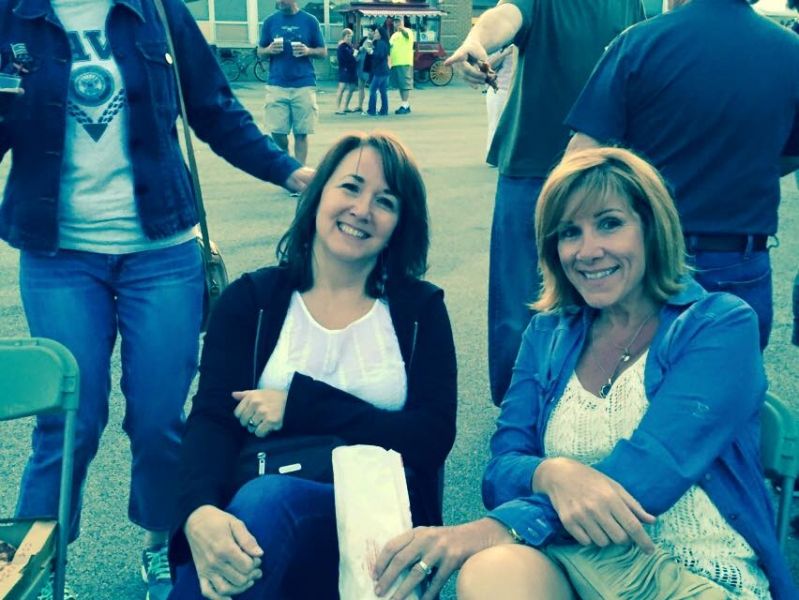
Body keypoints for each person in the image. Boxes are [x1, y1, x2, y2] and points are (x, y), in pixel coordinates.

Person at [372, 148, 796, 600]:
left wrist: (494, 528)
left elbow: (650, 475)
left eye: (609, 223)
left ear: (652, 228)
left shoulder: (719, 324)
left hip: (691, 572)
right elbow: (501, 469)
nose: (588, 251)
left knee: (491, 550)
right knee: (492, 572)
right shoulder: (547, 334)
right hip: (580, 562)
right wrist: (551, 473)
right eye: (569, 232)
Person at [0, 0, 313, 598]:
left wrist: (287, 172)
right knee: (67, 419)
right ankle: (37, 570)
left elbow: (214, 108)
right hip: (58, 254)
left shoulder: (159, 13)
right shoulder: (13, 16)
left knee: (159, 417)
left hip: (162, 251)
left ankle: (162, 543)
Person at [168, 132, 458, 600]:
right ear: (319, 192)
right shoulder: (253, 301)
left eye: (384, 201)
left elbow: (431, 437)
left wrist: (301, 406)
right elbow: (211, 422)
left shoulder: (418, 310)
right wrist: (198, 512)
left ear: (400, 223)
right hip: (257, 508)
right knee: (240, 523)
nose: (362, 209)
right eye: (350, 187)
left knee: (269, 502)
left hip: (378, 523)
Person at [566, 0, 799, 350]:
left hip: (649, 253)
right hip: (738, 260)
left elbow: (582, 155)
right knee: (730, 378)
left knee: (636, 375)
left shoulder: (640, 42)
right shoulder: (791, 52)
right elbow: (789, 155)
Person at [444, 0, 645, 405]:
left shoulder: (629, 4)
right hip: (531, 168)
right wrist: (476, 38)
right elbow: (506, 17)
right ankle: (516, 407)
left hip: (601, 174)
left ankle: (579, 402)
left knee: (599, 295)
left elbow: (639, 60)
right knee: (519, 301)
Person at [257, 0, 327, 165]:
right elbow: (260, 51)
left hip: (303, 84)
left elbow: (323, 52)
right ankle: (286, 157)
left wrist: (308, 51)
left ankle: (298, 171)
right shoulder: (270, 21)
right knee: (276, 131)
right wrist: (268, 50)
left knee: (301, 133)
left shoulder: (310, 21)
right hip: (276, 84)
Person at [484, 45, 515, 156]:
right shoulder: (503, 43)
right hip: (500, 90)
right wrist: (506, 52)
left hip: (518, 91)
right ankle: (493, 156)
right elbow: (487, 65)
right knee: (496, 125)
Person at [389, 17, 414, 115]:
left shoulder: (408, 31)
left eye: (398, 22)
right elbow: (390, 47)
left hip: (404, 62)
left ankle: (404, 104)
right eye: (395, 22)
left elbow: (406, 35)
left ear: (403, 23)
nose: (397, 24)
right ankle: (405, 105)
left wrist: (402, 29)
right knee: (400, 85)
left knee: (405, 84)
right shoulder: (394, 35)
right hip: (395, 63)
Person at [366, 25, 390, 117]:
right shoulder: (384, 43)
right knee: (383, 91)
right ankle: (384, 110)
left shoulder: (380, 43)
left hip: (379, 70)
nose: (374, 34)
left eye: (376, 33)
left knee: (372, 89)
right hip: (385, 70)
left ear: (380, 34)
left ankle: (371, 110)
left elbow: (379, 55)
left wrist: (371, 52)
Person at [334, 28, 357, 114]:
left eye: (351, 36)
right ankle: (337, 108)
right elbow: (348, 58)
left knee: (352, 88)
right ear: (344, 36)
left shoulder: (350, 46)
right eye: (348, 36)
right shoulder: (342, 46)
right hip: (344, 69)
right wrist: (354, 55)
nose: (349, 38)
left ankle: (346, 107)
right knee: (342, 88)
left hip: (352, 69)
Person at [354, 33, 373, 114]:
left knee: (372, 87)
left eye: (371, 31)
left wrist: (368, 48)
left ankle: (372, 106)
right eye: (369, 31)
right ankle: (360, 106)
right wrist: (360, 48)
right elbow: (357, 48)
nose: (369, 33)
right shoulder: (364, 39)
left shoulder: (375, 42)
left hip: (368, 67)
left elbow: (373, 53)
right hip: (360, 65)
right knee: (360, 86)